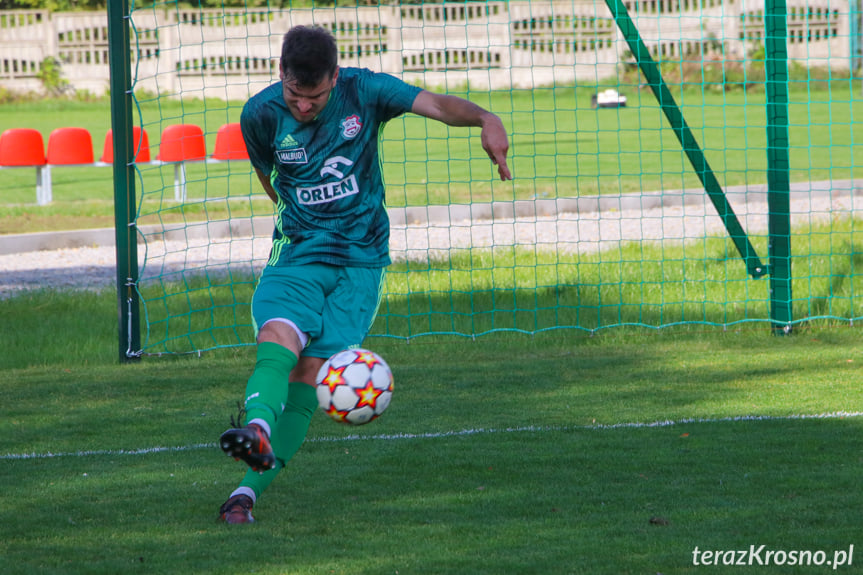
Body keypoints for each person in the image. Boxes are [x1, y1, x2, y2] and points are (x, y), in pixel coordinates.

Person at [218, 25, 512, 524]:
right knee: (278, 337)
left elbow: (438, 105)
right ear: (280, 74)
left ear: (335, 77)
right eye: (294, 93)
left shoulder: (366, 90)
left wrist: (486, 117)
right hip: (297, 256)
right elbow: (271, 182)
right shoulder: (260, 114)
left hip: (361, 264)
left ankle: (244, 494)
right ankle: (258, 428)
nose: (303, 106)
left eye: (314, 96)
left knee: (310, 375)